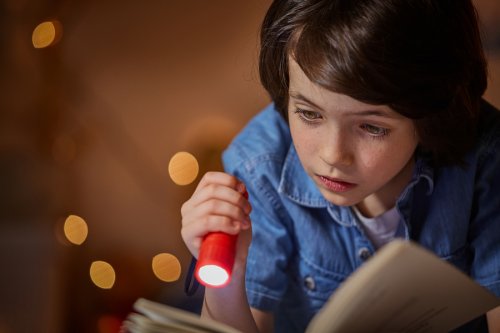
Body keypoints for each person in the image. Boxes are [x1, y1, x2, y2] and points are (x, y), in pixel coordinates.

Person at [180, 0, 500, 332]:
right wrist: (230, 277)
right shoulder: (260, 170)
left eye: (372, 127)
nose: (333, 156)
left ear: (432, 115)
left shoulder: (486, 160)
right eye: (308, 114)